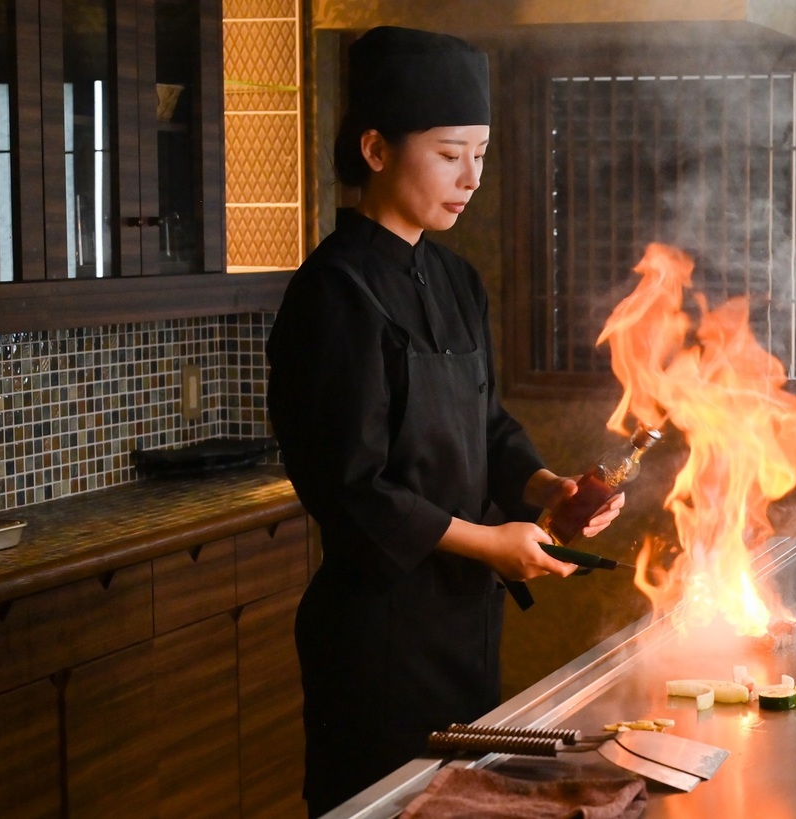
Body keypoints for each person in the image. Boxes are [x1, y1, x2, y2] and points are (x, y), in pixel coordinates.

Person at [266, 26, 624, 816]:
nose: (471, 176)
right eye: (450, 152)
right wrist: (489, 541)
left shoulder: (456, 278)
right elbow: (352, 488)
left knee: (462, 803)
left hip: (464, 623)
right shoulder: (334, 293)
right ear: (374, 148)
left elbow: (485, 424)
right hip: (377, 636)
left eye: (482, 153)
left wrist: (546, 488)